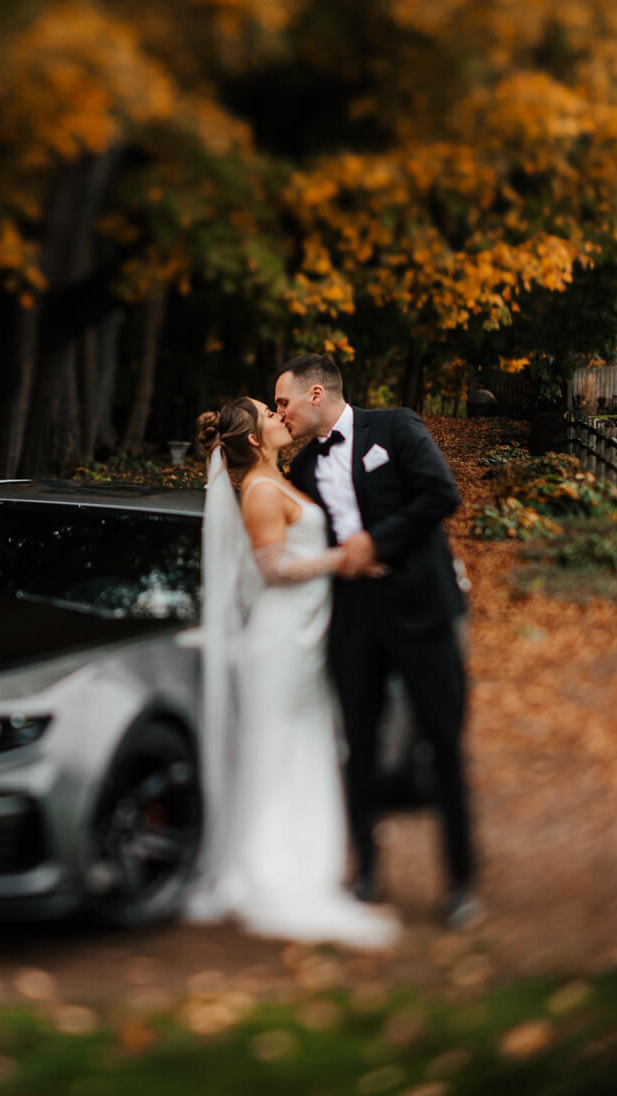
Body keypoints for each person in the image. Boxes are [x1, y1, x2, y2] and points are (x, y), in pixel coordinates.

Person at [186, 396, 400, 947]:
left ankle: (305, 854)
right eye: (270, 414)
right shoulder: (259, 492)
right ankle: (267, 865)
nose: (282, 417)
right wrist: (342, 559)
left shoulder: (280, 479)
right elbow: (273, 568)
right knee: (277, 746)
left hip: (305, 635)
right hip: (279, 638)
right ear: (256, 439)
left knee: (304, 743)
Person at [274, 353, 479, 928]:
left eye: (284, 401)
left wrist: (375, 543)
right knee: (356, 747)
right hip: (355, 620)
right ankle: (366, 872)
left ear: (317, 395)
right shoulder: (304, 470)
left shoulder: (396, 427)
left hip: (423, 613)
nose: (281, 412)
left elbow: (441, 495)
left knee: (442, 742)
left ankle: (461, 881)